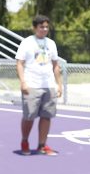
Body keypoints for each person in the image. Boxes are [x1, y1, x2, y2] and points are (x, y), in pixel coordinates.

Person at [15, 15, 63, 156]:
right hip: (32, 85)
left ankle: (42, 145)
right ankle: (25, 141)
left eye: (47, 27)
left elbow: (55, 65)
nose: (44, 29)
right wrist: (23, 82)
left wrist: (59, 84)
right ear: (35, 27)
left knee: (46, 116)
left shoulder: (51, 44)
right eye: (41, 26)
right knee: (29, 116)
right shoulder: (27, 43)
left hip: (48, 85)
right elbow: (19, 63)